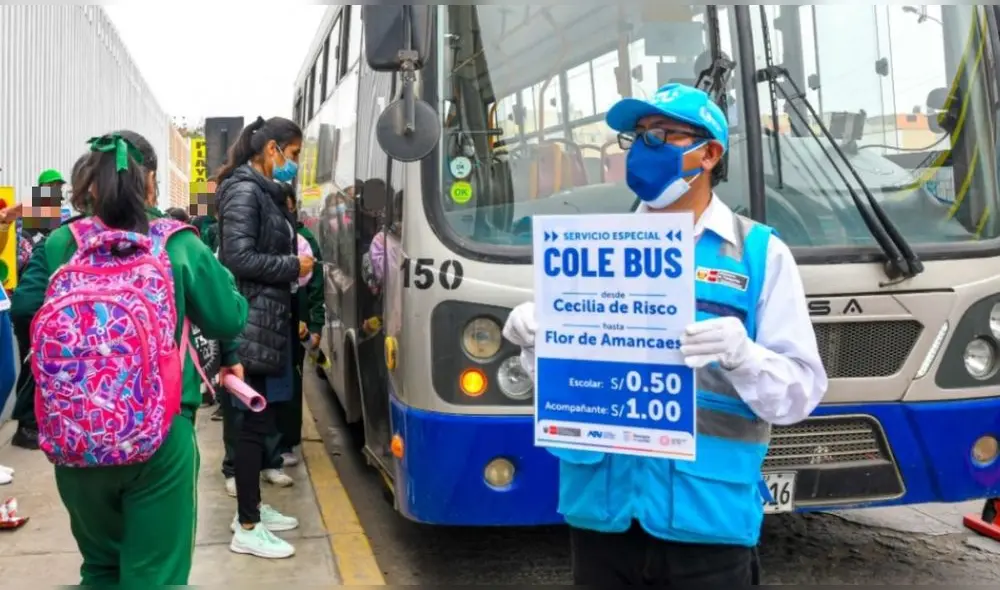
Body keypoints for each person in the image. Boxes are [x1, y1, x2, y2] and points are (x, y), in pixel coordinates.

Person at [502, 83, 828, 586]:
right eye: (638, 137)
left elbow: (799, 395)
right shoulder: (593, 251)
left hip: (708, 524)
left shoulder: (759, 254)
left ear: (710, 153)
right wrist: (535, 347)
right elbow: (567, 390)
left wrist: (743, 356)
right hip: (603, 520)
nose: (644, 149)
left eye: (663, 136)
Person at [20, 131, 248, 585]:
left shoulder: (63, 242)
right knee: (155, 576)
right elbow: (229, 318)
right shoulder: (177, 242)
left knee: (101, 569)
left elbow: (27, 305)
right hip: (159, 437)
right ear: (150, 183)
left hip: (76, 436)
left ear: (89, 183)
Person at [214, 115, 312, 559]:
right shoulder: (244, 189)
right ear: (271, 149)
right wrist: (294, 267)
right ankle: (248, 525)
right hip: (249, 323)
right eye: (292, 155)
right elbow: (238, 257)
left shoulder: (265, 191)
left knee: (259, 422)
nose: (294, 164)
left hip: (265, 322)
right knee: (250, 427)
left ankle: (253, 509)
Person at [10, 156, 90, 450]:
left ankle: (33, 422)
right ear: (39, 189)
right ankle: (26, 426)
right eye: (49, 188)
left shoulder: (58, 220)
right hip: (30, 298)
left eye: (57, 188)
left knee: (40, 365)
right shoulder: (30, 219)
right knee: (32, 366)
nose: (53, 193)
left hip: (39, 298)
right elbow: (21, 256)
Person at [277, 182, 324, 467]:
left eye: (286, 204)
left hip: (298, 323)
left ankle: (288, 441)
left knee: (293, 381)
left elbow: (317, 288)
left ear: (293, 205)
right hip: (269, 322)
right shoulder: (264, 236)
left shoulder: (305, 241)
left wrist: (315, 326)